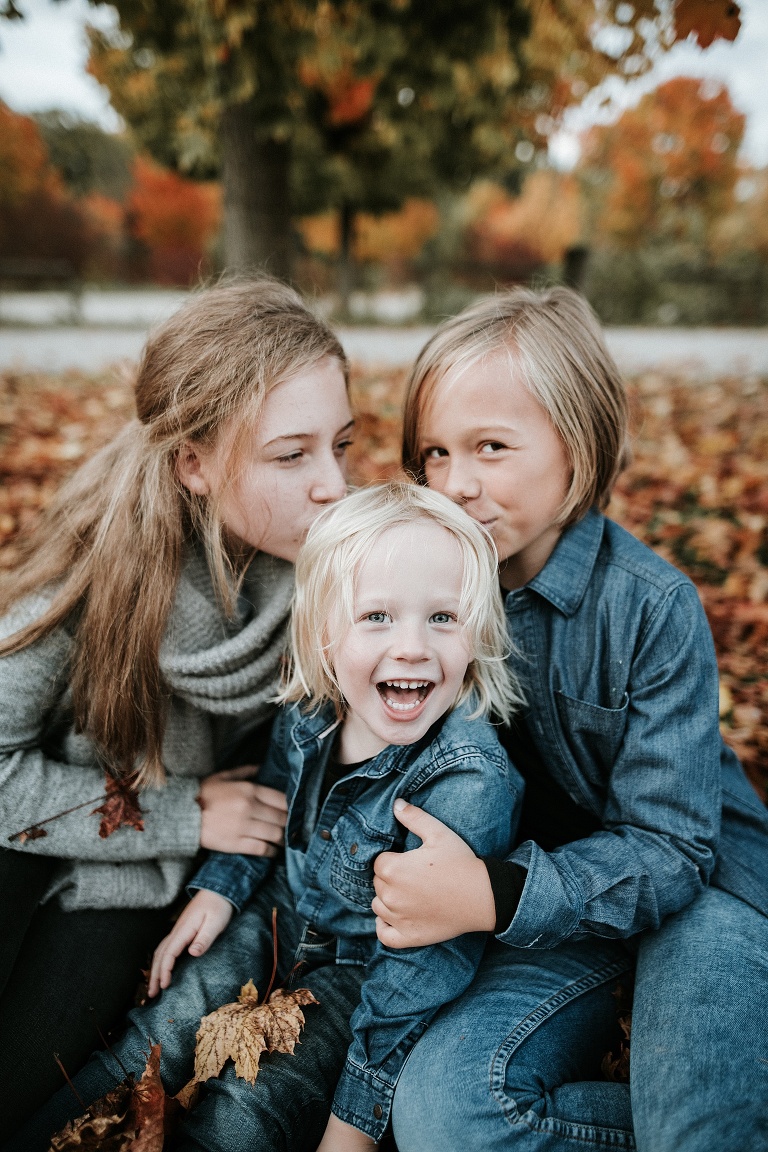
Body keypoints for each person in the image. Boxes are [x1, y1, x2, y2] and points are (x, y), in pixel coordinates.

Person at [9, 482, 525, 1152]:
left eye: (443, 619)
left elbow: (419, 975)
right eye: (376, 617)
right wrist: (222, 890)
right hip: (280, 910)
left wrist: (357, 1128)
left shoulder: (467, 779)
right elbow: (271, 809)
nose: (411, 648)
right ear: (323, 634)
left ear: (478, 632)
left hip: (364, 972)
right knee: (154, 1042)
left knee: (249, 1111)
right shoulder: (313, 709)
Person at [373, 287, 768, 1152]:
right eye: (434, 453)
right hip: (550, 906)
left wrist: (490, 893)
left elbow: (673, 848)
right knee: (442, 1116)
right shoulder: (425, 590)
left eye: (491, 447)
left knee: (695, 1125)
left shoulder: (652, 606)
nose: (455, 483)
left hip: (699, 889)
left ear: (578, 451)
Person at [0, 277, 355, 1134]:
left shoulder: (337, 566)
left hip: (129, 885)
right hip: (35, 829)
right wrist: (186, 812)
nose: (334, 485)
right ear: (193, 463)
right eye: (291, 454)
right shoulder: (96, 571)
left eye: (342, 444)